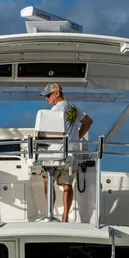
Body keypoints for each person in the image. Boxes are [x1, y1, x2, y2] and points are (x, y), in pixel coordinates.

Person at [40, 83, 93, 222]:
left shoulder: (55, 110)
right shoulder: (74, 107)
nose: (46, 99)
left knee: (47, 180)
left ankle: (50, 214)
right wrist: (77, 137)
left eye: (48, 95)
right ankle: (65, 218)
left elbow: (47, 132)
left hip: (56, 153)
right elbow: (88, 121)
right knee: (67, 185)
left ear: (56, 93)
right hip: (73, 151)